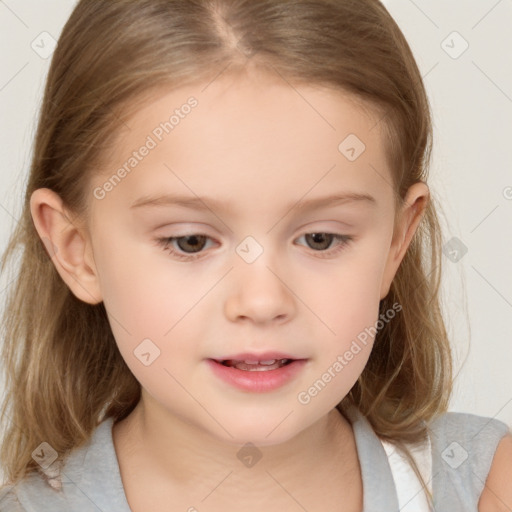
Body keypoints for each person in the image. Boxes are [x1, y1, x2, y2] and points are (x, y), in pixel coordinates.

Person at [0, 0, 511, 511]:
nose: (263, 301)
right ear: (76, 251)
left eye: (320, 239)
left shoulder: (488, 486)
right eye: (191, 241)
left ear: (397, 242)